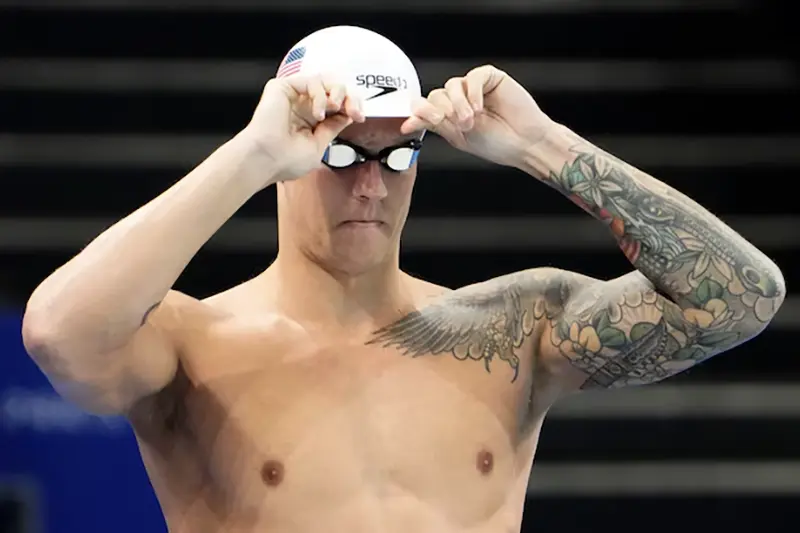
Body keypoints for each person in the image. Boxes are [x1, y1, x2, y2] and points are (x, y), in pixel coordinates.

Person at [21, 25, 784, 533]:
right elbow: (59, 334)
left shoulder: (510, 328)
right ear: (293, 153)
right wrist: (249, 155)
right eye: (346, 153)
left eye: (396, 156)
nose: (372, 187)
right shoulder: (193, 346)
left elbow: (742, 297)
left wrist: (540, 144)